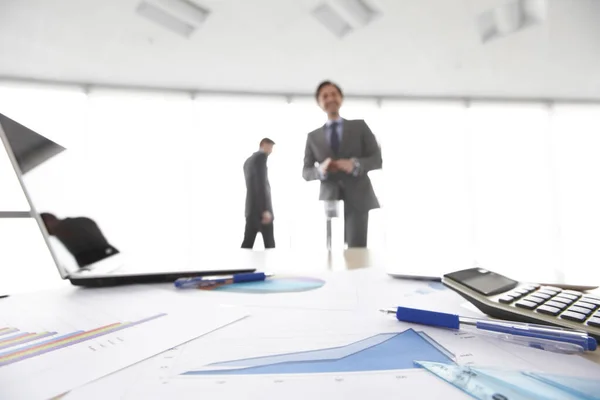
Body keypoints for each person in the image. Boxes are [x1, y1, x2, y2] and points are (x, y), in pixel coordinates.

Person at [302, 81, 382, 248]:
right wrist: (321, 169)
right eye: (325, 96)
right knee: (330, 250)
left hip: (359, 197)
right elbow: (306, 172)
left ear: (341, 98)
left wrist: (355, 164)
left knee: (357, 250)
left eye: (334, 94)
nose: (330, 98)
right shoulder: (313, 137)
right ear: (319, 102)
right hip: (330, 199)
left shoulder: (360, 126)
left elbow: (376, 159)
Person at [40, 213, 119, 268]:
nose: (45, 232)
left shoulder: (65, 227)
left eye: (42, 226)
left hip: (98, 257)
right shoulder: (80, 221)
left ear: (48, 221)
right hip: (105, 254)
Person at [242, 138, 275, 249]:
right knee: (270, 246)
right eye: (270, 147)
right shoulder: (261, 158)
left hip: (251, 210)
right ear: (263, 144)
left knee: (247, 245)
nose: (271, 150)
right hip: (261, 212)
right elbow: (260, 186)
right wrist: (264, 210)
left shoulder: (248, 160)